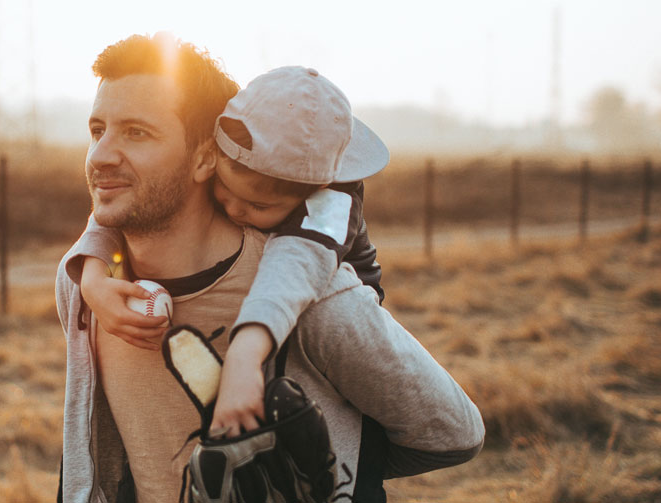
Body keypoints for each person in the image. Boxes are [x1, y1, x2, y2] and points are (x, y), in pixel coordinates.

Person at [55, 33, 484, 503]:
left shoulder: (316, 302)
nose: (100, 156)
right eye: (98, 130)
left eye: (137, 132)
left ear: (206, 156)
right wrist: (91, 275)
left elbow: (453, 434)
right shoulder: (84, 286)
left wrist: (336, 477)